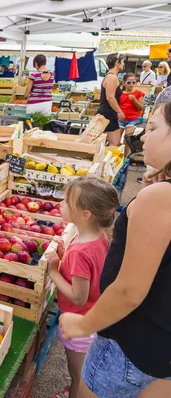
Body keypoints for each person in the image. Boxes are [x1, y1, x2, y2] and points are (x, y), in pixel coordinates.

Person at [60, 100, 171, 398]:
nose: (143, 137)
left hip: (133, 344)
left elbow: (129, 291)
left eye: (153, 128)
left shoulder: (160, 199)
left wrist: (84, 324)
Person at [47, 177, 119, 398]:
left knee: (77, 373)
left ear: (86, 214)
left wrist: (54, 272)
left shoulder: (80, 251)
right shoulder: (98, 237)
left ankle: (76, 392)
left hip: (80, 322)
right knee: (82, 371)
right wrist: (64, 257)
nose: (61, 204)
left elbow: (78, 296)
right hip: (94, 316)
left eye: (67, 202)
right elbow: (89, 273)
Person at [97, 53, 125, 146]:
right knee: (113, 143)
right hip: (108, 114)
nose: (124, 64)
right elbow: (110, 97)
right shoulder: (112, 77)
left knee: (103, 143)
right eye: (123, 62)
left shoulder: (109, 76)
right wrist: (119, 112)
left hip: (106, 113)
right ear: (117, 62)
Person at [119, 72, 144, 156]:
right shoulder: (120, 94)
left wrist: (134, 100)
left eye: (134, 82)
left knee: (127, 139)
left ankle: (125, 157)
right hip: (121, 119)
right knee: (116, 140)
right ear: (124, 83)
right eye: (129, 82)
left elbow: (140, 108)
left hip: (132, 119)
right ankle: (117, 156)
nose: (131, 84)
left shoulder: (138, 93)